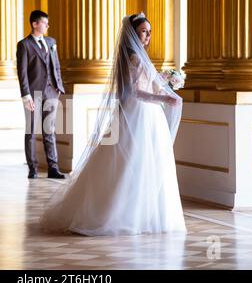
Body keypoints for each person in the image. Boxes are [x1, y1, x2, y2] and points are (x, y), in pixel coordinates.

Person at [39, 13, 187, 236]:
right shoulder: (135, 58)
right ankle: (122, 213)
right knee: (133, 163)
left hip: (147, 115)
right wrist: (165, 98)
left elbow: (147, 87)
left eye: (149, 31)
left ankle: (144, 214)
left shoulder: (138, 57)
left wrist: (166, 82)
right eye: (143, 32)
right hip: (139, 115)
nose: (147, 36)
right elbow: (135, 92)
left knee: (146, 162)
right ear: (133, 35)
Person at [16, 10, 66, 179]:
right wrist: (26, 96)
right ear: (35, 24)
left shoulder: (51, 42)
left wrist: (58, 87)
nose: (47, 26)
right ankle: (33, 169)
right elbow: (22, 73)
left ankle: (53, 168)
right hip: (33, 94)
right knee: (31, 131)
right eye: (44, 23)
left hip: (51, 92)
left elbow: (56, 66)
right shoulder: (24, 45)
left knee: (49, 131)